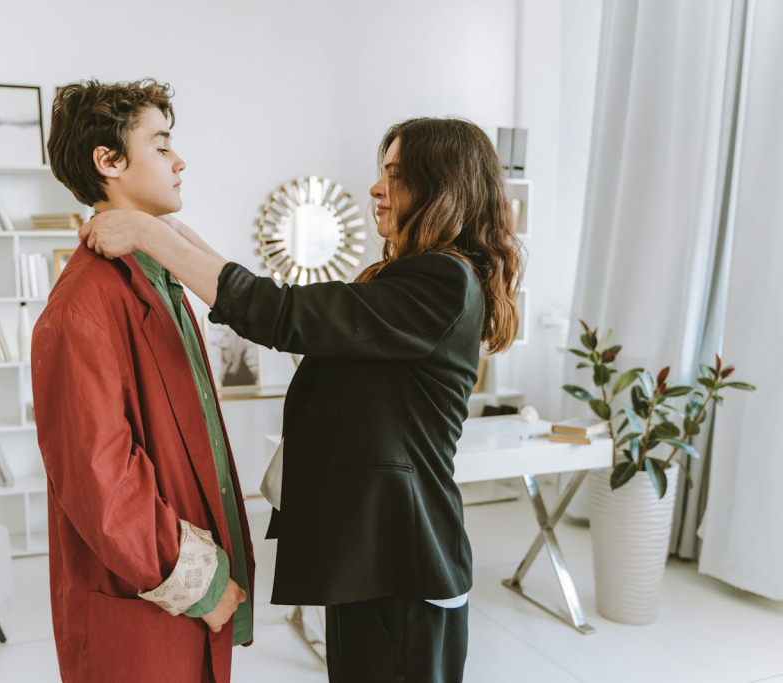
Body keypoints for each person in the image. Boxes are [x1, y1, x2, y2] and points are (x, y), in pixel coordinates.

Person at [79, 116, 525, 683]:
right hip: (375, 558)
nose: (376, 188)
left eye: (395, 174)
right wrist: (156, 228)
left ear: (441, 188)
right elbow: (279, 305)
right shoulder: (416, 277)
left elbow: (283, 314)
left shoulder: (441, 281)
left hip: (402, 564)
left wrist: (151, 236)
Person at [31, 79, 254, 683]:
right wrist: (206, 590)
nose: (179, 161)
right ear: (108, 161)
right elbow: (104, 483)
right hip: (142, 612)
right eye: (161, 146)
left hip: (173, 606)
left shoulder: (157, 276)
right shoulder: (82, 305)